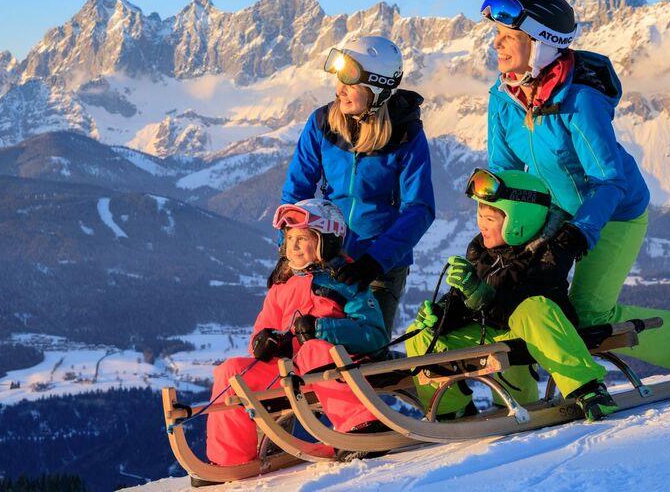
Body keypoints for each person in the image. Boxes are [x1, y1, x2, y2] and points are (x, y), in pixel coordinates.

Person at [479, 0, 670, 391]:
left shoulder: (580, 100)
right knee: (512, 295)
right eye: (497, 34)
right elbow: (505, 174)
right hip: (557, 211)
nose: (496, 43)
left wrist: (577, 232)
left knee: (589, 313)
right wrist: (498, 223)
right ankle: (524, 393)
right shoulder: (503, 98)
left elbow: (609, 180)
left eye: (508, 36)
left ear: (539, 44)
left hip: (615, 211)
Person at [406, 168, 615, 422]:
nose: (481, 224)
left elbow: (521, 299)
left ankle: (587, 389)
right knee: (420, 333)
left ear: (518, 222)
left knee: (535, 307)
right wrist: (441, 314)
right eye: (479, 215)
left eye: (490, 219)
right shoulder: (482, 251)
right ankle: (451, 410)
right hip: (492, 330)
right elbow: (466, 301)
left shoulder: (551, 251)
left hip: (534, 335)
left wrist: (479, 293)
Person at [206, 199, 389, 466]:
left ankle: (360, 426)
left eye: (302, 238)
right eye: (289, 238)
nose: (292, 246)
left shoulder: (347, 282)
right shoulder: (282, 287)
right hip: (289, 373)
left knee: (313, 350)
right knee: (231, 372)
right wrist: (265, 343)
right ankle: (230, 459)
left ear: (325, 242)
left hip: (339, 368)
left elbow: (374, 335)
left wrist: (321, 329)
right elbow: (261, 331)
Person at [280, 35, 435, 333]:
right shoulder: (322, 123)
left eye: (351, 83)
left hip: (379, 267)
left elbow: (420, 208)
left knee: (368, 347)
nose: (340, 90)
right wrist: (286, 248)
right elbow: (297, 190)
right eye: (339, 80)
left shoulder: (405, 135)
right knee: (310, 343)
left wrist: (375, 261)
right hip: (325, 256)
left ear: (377, 89)